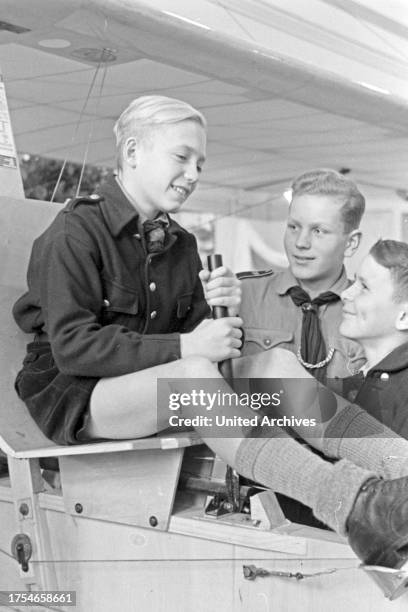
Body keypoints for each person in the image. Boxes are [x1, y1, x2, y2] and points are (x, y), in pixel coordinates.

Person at [12, 95, 242, 445]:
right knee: (193, 376)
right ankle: (322, 486)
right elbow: (74, 348)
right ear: (132, 152)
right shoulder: (74, 232)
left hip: (155, 382)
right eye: (182, 157)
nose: (193, 175)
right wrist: (186, 346)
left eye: (200, 164)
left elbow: (199, 340)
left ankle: (353, 459)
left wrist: (222, 315)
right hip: (77, 392)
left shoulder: (183, 244)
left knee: (278, 371)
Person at [238, 169, 366, 382]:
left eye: (318, 231)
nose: (301, 242)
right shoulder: (242, 295)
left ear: (351, 243)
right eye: (293, 227)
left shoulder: (369, 309)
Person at [339, 239, 408, 438]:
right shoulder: (360, 381)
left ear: (404, 317)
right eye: (354, 282)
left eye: (364, 287)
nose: (345, 294)